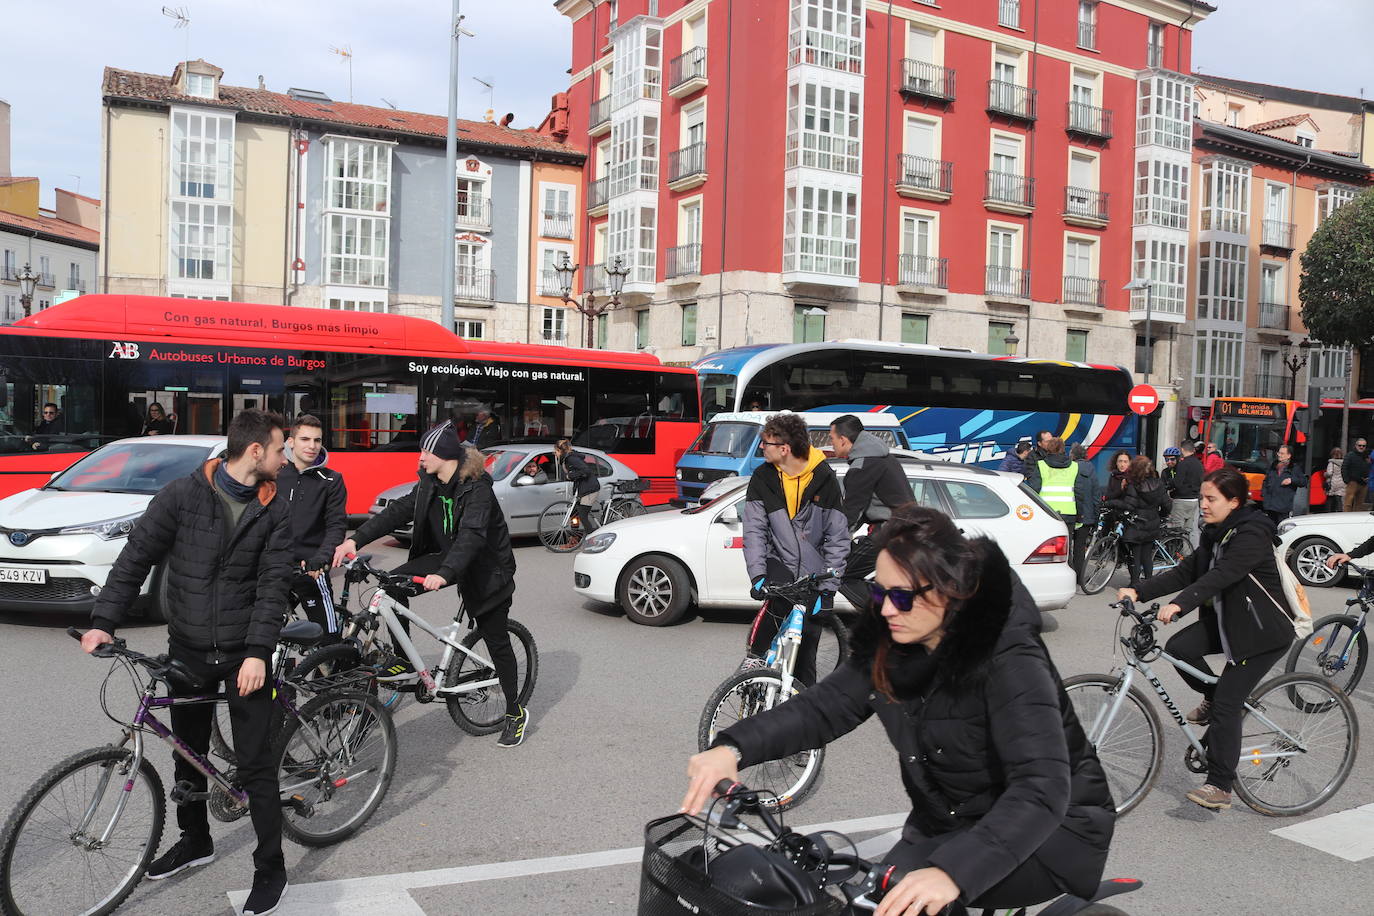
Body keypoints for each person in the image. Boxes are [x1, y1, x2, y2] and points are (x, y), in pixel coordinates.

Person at [682, 507, 1114, 914]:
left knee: (899, 899)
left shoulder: (1010, 660)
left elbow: (1041, 789)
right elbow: (825, 707)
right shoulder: (894, 641)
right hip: (946, 819)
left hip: (1053, 835)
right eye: (879, 592)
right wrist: (733, 747)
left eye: (902, 597)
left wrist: (953, 873)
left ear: (951, 588)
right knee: (864, 901)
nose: (887, 609)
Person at [80, 409, 292, 916]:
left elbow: (273, 587)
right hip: (190, 649)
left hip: (246, 654)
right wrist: (103, 620)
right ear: (255, 451)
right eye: (281, 449)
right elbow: (135, 557)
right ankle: (195, 840)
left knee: (256, 765)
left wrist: (259, 652)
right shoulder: (182, 495)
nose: (286, 459)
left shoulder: (275, 508)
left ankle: (271, 868)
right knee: (187, 753)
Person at [334, 421, 526, 746]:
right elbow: (397, 512)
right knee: (391, 588)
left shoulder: (477, 488)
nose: (421, 457)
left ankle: (514, 712)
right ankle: (405, 661)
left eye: (426, 451)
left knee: (496, 641)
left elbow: (472, 536)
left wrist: (447, 573)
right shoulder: (429, 482)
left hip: (485, 568)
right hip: (446, 557)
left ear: (444, 455)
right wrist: (357, 540)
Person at [1119, 466, 1295, 811]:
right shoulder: (1217, 532)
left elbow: (1223, 575)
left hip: (1261, 632)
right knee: (1179, 648)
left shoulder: (1252, 533)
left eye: (1211, 499)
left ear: (1234, 501)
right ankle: (1215, 696)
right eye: (1201, 497)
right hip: (1231, 623)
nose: (1203, 504)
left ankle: (1220, 785)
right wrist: (1138, 591)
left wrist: (1179, 604)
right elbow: (1188, 571)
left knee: (1229, 704)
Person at [742, 412, 849, 687]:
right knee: (776, 602)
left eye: (765, 442)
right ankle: (753, 662)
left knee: (806, 657)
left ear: (784, 448)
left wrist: (829, 587)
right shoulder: (763, 477)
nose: (761, 447)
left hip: (814, 573)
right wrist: (758, 575)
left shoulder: (825, 478)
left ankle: (804, 712)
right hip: (779, 562)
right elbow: (754, 531)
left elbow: (837, 538)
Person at [829, 414, 911, 610]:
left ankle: (879, 619)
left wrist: (833, 541)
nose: (831, 445)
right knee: (888, 582)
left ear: (843, 439)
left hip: (889, 531)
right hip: (905, 529)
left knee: (842, 574)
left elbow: (852, 512)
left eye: (831, 439)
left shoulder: (863, 465)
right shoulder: (883, 457)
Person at [277, 415, 347, 642]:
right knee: (264, 637)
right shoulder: (274, 475)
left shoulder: (331, 480)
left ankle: (335, 670)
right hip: (274, 569)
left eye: (317, 440)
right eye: (305, 439)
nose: (312, 446)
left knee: (327, 638)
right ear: (290, 442)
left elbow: (336, 525)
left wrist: (322, 557)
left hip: (311, 570)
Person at [1025, 437, 1093, 574]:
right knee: (1066, 549)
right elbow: (1079, 493)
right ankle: (1068, 575)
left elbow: (1034, 490)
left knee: (1044, 548)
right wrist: (1080, 516)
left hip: (1046, 514)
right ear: (1063, 449)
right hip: (1069, 514)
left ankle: (1047, 575)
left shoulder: (1041, 465)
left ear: (1048, 448)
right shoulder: (1074, 467)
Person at [1105, 456, 1171, 589]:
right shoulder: (1158, 484)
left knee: (1135, 555)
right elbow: (1167, 505)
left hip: (1136, 523)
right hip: (1152, 522)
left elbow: (1129, 505)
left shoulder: (1133, 484)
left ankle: (1135, 582)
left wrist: (1110, 503)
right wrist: (1160, 516)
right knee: (1147, 555)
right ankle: (1148, 582)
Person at [554, 438, 601, 535]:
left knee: (582, 516)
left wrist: (570, 476)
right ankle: (574, 539)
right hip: (582, 489)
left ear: (560, 451)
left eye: (555, 452)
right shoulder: (567, 458)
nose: (555, 454)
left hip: (589, 489)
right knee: (574, 514)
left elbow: (586, 471)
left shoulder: (571, 458)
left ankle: (593, 537)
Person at [1168, 441, 1204, 543]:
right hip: (1194, 501)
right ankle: (1188, 554)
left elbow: (1178, 483)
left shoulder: (1183, 464)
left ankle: (1176, 554)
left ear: (1182, 450)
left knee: (1176, 530)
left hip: (1182, 500)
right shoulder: (1198, 464)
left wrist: (1170, 486)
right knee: (1190, 531)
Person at [1260, 445, 1300, 524]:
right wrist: (1264, 495)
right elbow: (1266, 481)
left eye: (1282, 453)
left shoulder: (1294, 468)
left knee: (1281, 529)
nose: (1279, 455)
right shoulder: (1273, 466)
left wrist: (1291, 480)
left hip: (1283, 506)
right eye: (1279, 453)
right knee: (1269, 527)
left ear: (1289, 455)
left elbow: (1303, 481)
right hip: (1270, 505)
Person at [1342, 439, 1369, 512]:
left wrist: (1368, 478)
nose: (1361, 447)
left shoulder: (1366, 456)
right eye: (1360, 445)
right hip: (1353, 482)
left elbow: (1369, 467)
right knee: (1348, 503)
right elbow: (1344, 467)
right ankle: (1346, 518)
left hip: (1364, 483)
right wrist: (1347, 480)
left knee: (1359, 504)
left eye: (1363, 446)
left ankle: (1356, 520)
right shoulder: (1350, 455)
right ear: (1356, 446)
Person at [1324, 448, 1346, 513]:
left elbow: (1329, 473)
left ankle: (1328, 512)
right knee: (1338, 498)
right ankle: (1339, 512)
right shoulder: (1343, 463)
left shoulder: (1331, 463)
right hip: (1341, 483)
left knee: (1330, 498)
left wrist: (1325, 474)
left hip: (1332, 483)